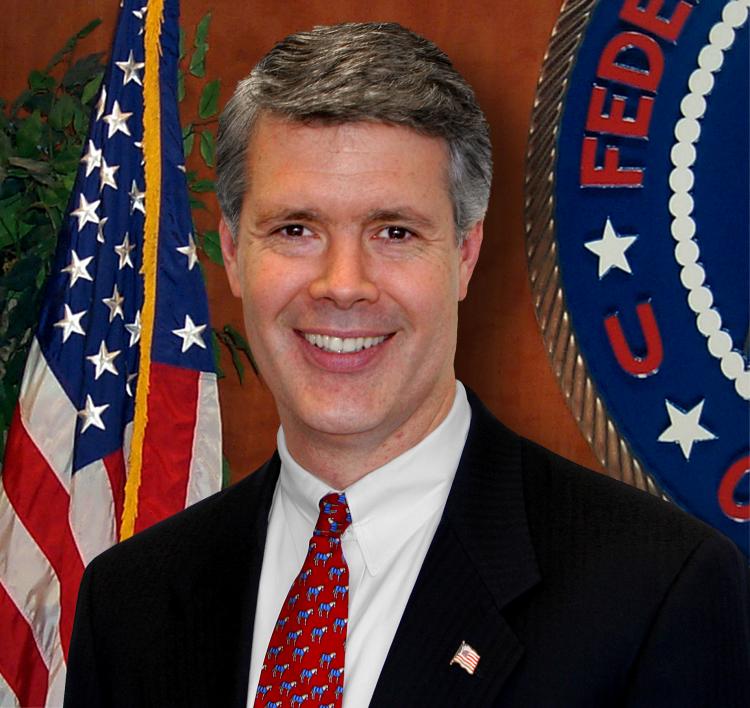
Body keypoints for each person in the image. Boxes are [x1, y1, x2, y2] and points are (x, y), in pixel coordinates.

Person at [64, 22, 749, 708]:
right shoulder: (130, 602)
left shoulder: (657, 591)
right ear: (235, 252)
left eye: (394, 232)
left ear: (465, 255)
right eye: (296, 229)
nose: (343, 284)